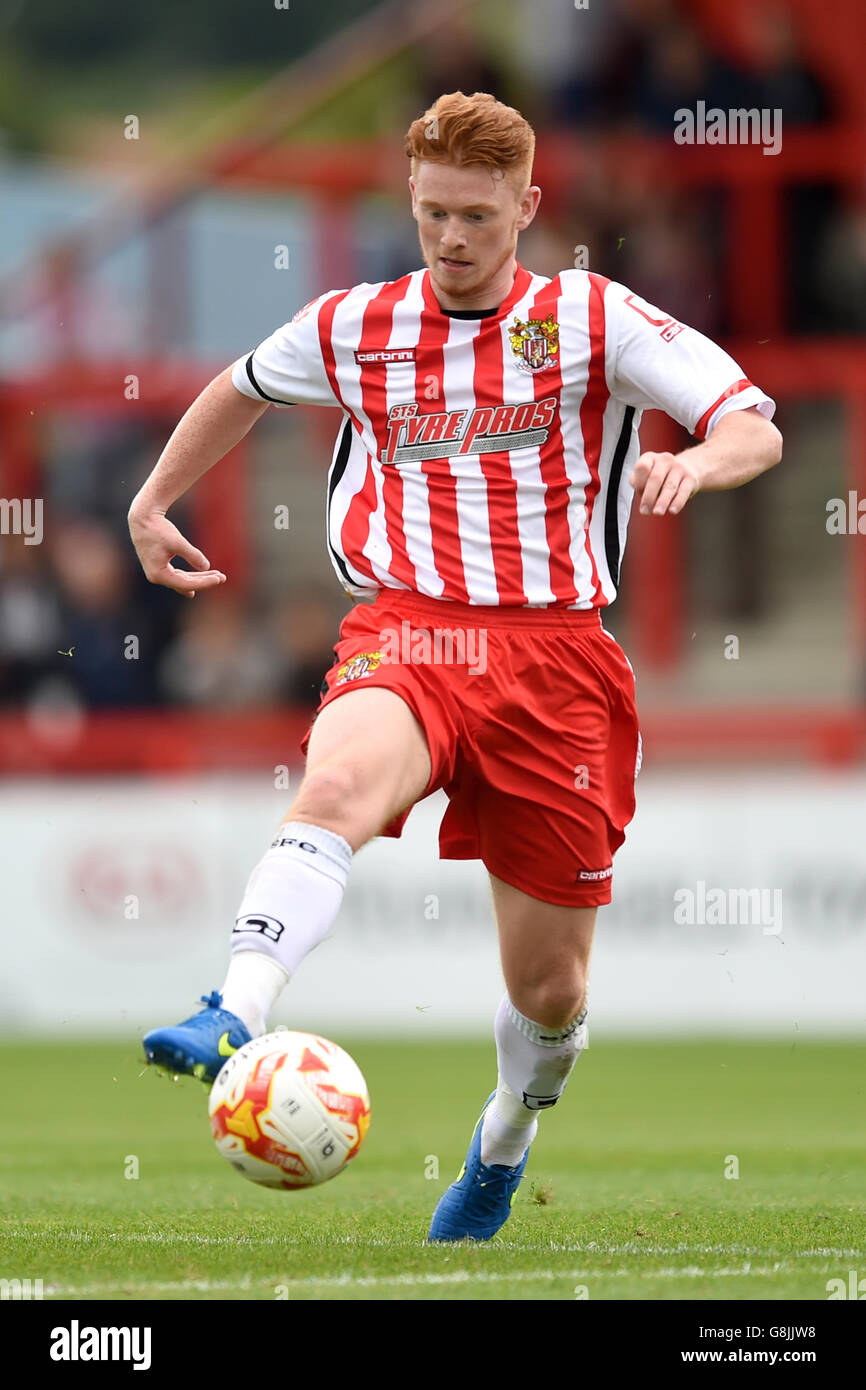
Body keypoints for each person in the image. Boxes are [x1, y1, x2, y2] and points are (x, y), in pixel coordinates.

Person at [127, 91, 781, 1243]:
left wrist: (703, 466)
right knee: (331, 786)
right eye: (431, 211)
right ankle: (233, 1005)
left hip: (556, 659)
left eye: (475, 214)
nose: (450, 237)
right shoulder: (355, 323)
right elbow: (238, 384)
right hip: (409, 630)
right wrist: (151, 499)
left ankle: (501, 1143)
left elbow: (748, 418)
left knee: (551, 993)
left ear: (526, 206)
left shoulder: (585, 318)